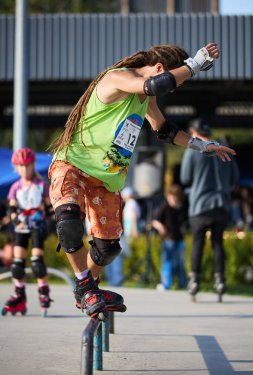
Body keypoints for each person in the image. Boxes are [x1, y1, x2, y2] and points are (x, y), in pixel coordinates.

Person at [48, 41, 235, 319]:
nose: (170, 90)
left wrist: (202, 146)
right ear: (158, 69)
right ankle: (86, 287)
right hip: (73, 165)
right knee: (69, 223)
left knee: (107, 248)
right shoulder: (117, 78)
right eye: (170, 84)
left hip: (106, 179)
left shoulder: (145, 99)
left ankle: (85, 290)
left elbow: (165, 131)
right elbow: (152, 86)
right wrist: (193, 66)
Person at [180, 119, 239, 300]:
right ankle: (220, 280)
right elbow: (234, 177)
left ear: (195, 132)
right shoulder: (223, 148)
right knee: (218, 243)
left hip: (200, 205)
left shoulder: (193, 151)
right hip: (221, 204)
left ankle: (195, 281)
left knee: (198, 242)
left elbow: (185, 178)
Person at [2, 148, 53, 316]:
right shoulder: (15, 187)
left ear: (33, 166)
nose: (25, 169)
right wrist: (15, 218)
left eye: (28, 166)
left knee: (37, 263)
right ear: (16, 168)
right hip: (20, 228)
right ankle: (19, 296)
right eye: (21, 166)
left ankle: (43, 292)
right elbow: (11, 208)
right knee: (17, 265)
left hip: (38, 227)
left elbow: (48, 206)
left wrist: (57, 221)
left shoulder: (41, 185)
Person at [152, 184, 187, 290]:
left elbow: (185, 222)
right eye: (170, 197)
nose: (172, 199)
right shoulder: (164, 207)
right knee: (167, 262)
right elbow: (155, 221)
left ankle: (182, 284)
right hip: (168, 239)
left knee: (180, 262)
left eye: (175, 197)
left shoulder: (182, 207)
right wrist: (160, 227)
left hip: (179, 238)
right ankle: (166, 284)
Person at [105, 186, 141, 286]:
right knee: (116, 255)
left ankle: (112, 280)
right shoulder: (121, 204)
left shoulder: (114, 203)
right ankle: (116, 280)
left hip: (110, 232)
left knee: (110, 255)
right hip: (117, 233)